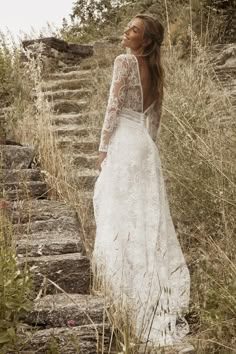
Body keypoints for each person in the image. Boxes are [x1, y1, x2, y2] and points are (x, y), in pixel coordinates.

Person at [92, 13, 191, 349]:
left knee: (117, 210)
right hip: (144, 146)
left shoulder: (124, 61)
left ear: (145, 41)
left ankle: (119, 286)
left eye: (133, 30)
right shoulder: (157, 72)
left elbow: (112, 107)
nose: (126, 31)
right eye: (129, 27)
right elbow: (155, 120)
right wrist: (147, 149)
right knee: (145, 218)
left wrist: (103, 148)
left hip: (123, 141)